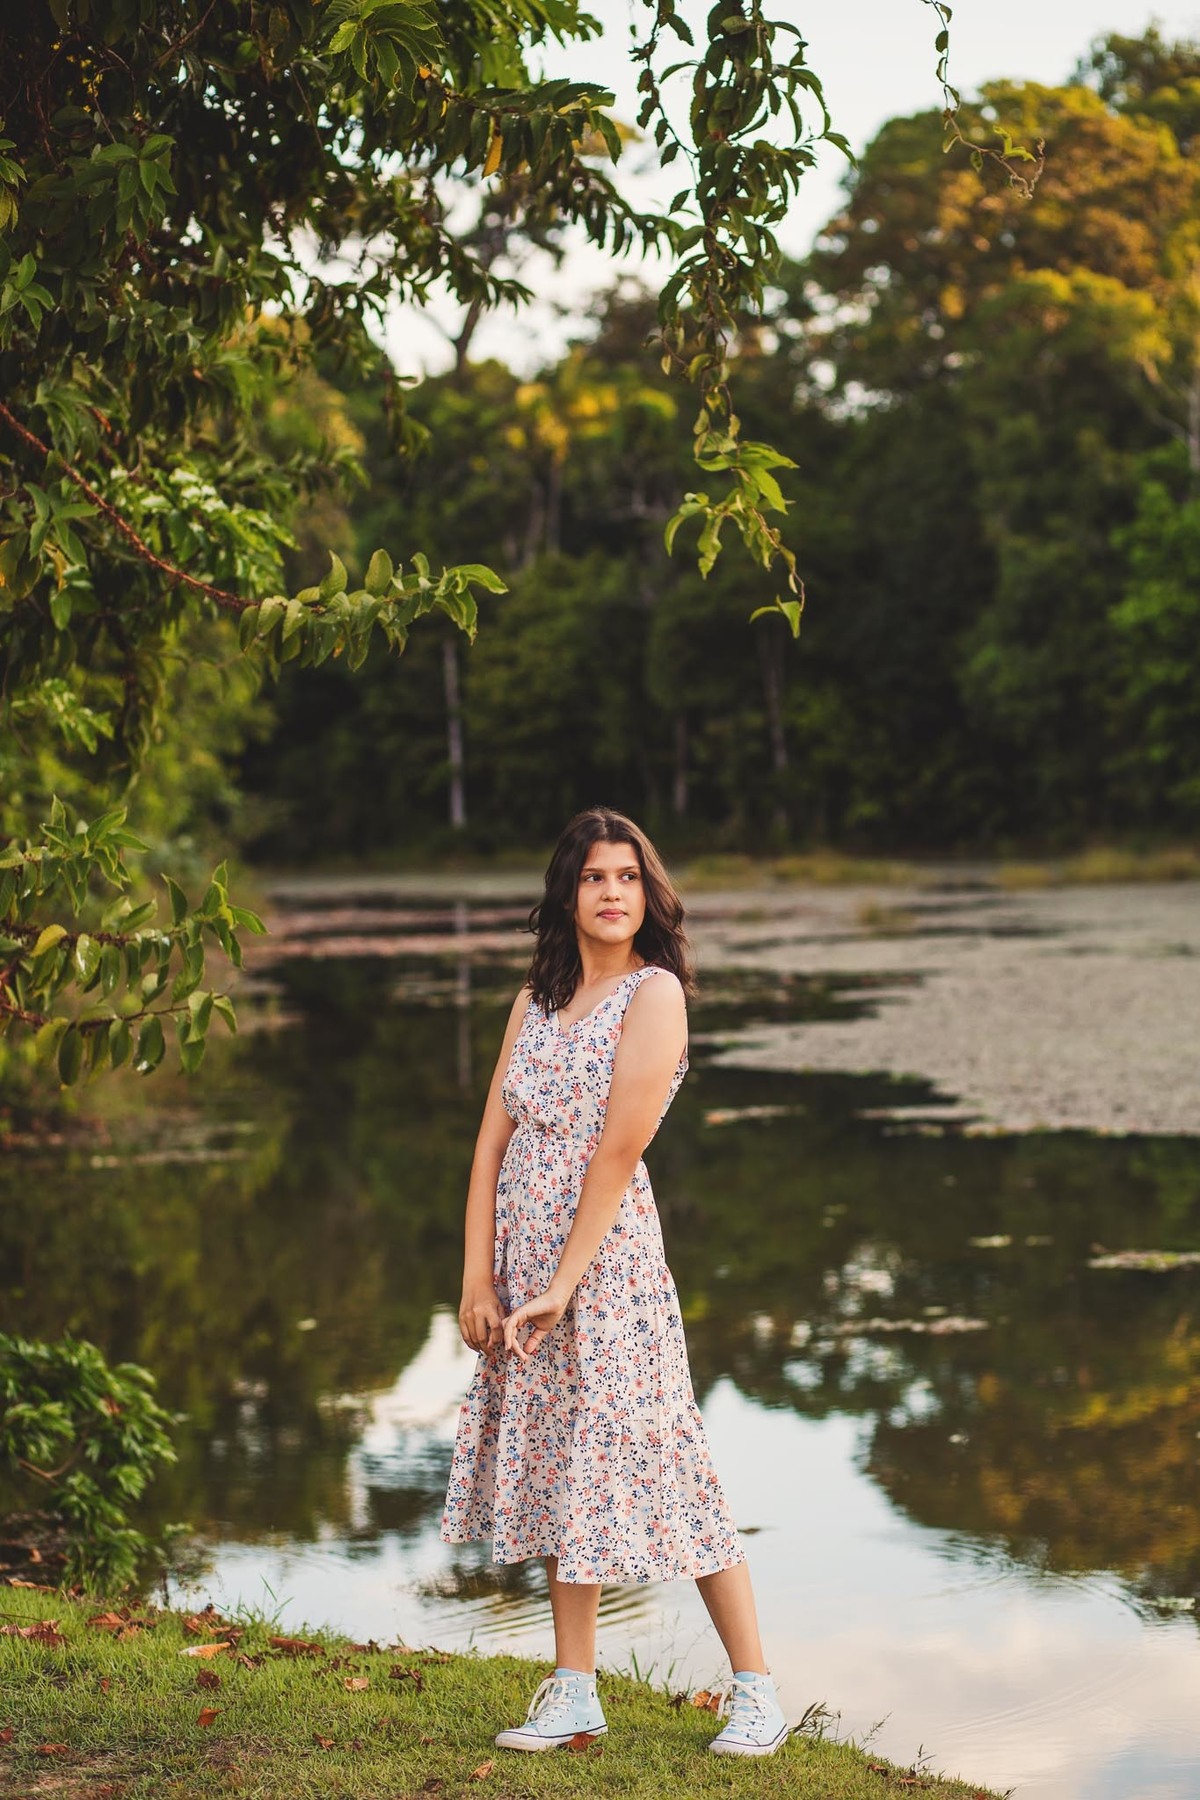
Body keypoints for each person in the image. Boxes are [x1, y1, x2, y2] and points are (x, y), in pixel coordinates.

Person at [440, 806, 788, 1758]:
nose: (611, 893)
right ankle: (575, 1689)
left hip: (610, 1268)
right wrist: (481, 1276)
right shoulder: (532, 1003)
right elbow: (491, 1142)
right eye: (594, 876)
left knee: (667, 1463)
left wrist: (563, 1281)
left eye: (628, 877)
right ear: (568, 891)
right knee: (560, 1461)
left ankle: (756, 1691)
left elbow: (618, 1149)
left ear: (648, 893)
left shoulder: (655, 995)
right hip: (524, 1265)